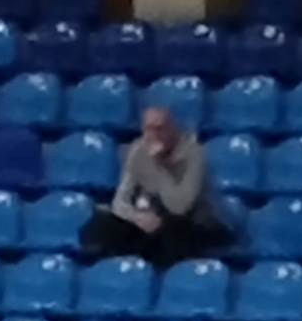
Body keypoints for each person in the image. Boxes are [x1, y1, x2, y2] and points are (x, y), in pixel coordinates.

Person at [80, 107, 232, 268]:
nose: (154, 135)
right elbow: (120, 201)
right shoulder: (138, 150)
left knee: (175, 232)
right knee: (103, 226)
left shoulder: (193, 153)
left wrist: (158, 166)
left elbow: (179, 206)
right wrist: (138, 218)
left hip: (192, 220)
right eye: (149, 129)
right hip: (151, 216)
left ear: (172, 129)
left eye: (159, 129)